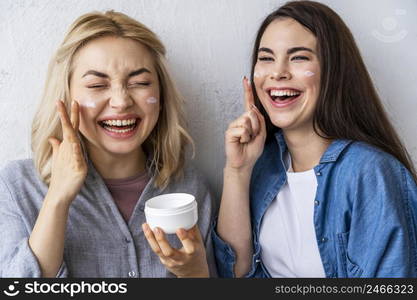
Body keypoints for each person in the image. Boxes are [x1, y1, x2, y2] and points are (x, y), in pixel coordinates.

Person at [0, 11, 217, 278]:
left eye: (139, 83)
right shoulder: (17, 186)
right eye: (97, 84)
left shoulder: (191, 187)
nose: (121, 101)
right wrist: (57, 199)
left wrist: (196, 274)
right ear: (67, 96)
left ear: (160, 96)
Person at [213, 1, 417, 278]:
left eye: (298, 57)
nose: (278, 72)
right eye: (266, 58)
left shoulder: (369, 172)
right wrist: (238, 171)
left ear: (333, 71)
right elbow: (236, 273)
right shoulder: (264, 163)